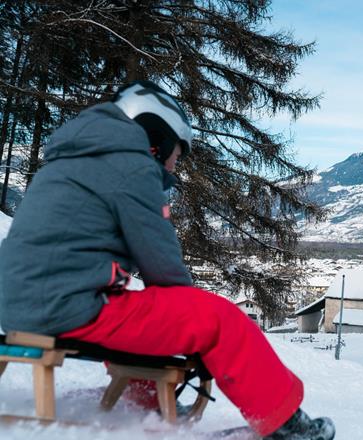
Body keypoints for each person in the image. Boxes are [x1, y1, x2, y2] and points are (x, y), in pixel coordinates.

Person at [0, 81, 335, 440]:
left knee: (145, 309)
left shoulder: (70, 159)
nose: (174, 169)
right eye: (176, 156)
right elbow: (162, 263)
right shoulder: (131, 166)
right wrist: (191, 318)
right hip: (66, 306)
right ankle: (284, 424)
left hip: (15, 304)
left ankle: (140, 403)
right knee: (218, 319)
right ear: (155, 138)